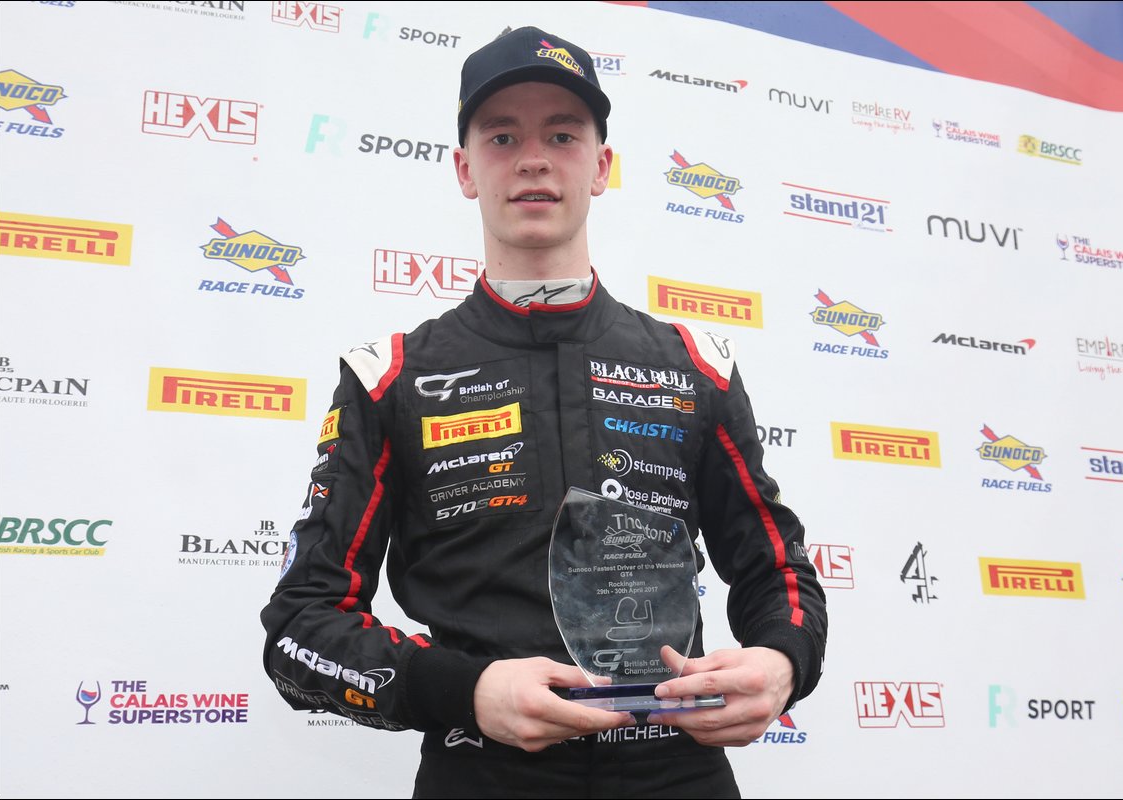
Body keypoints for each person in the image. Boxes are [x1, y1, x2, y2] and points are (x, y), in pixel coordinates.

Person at [261, 25, 827, 798]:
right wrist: (466, 692)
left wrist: (781, 661)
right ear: (465, 170)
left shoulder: (693, 366)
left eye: (561, 135)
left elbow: (776, 571)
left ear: (601, 167)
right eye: (502, 136)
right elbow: (300, 626)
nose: (532, 158)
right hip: (481, 771)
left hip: (676, 770)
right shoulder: (390, 377)